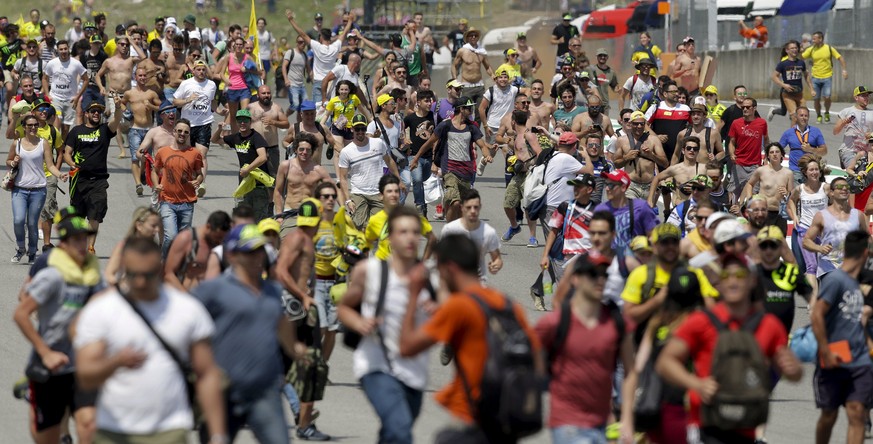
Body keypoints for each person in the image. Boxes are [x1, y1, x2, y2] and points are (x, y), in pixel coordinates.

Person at [74, 237, 227, 444]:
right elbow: (85, 375)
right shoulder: (103, 310)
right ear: (124, 269)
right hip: (113, 431)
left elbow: (207, 374)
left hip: (170, 431)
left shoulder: (187, 310)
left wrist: (217, 435)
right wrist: (116, 362)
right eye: (134, 274)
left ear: (161, 268)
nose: (140, 282)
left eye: (148, 275)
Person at [398, 233, 542, 442]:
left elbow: (407, 346)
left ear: (450, 268)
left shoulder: (460, 306)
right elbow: (536, 355)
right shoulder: (507, 304)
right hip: (506, 416)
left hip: (471, 416)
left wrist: (413, 294)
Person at [656, 252, 802, 443]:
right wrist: (696, 384)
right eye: (726, 276)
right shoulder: (702, 321)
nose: (732, 282)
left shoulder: (769, 325)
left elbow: (792, 373)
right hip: (705, 426)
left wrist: (794, 369)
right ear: (720, 283)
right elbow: (665, 362)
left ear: (752, 281)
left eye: (739, 276)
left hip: (747, 426)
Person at [193, 224, 305, 443]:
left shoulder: (273, 290)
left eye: (260, 251)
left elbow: (281, 322)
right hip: (224, 391)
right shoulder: (214, 290)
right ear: (233, 255)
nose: (256, 257)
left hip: (264, 390)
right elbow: (185, 318)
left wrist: (296, 349)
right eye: (249, 252)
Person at [337, 206, 435, 443]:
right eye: (403, 232)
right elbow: (344, 307)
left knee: (393, 431)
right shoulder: (368, 271)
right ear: (389, 237)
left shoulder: (432, 278)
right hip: (376, 365)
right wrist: (359, 322)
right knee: (401, 431)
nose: (410, 238)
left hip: (414, 371)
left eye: (415, 232)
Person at [12, 215, 102, 444]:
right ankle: (32, 391)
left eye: (86, 239)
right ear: (63, 244)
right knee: (47, 436)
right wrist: (45, 352)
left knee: (89, 423)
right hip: (52, 366)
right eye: (77, 240)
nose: (83, 245)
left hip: (82, 366)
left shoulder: (93, 277)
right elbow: (21, 313)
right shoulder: (53, 275)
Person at [535, 253, 635, 444]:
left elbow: (631, 371)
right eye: (593, 274)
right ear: (575, 278)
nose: (600, 279)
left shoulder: (617, 323)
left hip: (604, 423)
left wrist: (627, 420)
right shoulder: (555, 322)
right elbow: (528, 364)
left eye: (604, 274)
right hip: (568, 424)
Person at [274, 198, 330, 440]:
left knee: (290, 367)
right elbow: (280, 270)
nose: (309, 227)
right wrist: (302, 296)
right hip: (294, 309)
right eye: (305, 223)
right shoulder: (298, 238)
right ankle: (304, 423)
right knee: (309, 366)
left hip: (300, 309)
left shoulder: (306, 239)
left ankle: (302, 417)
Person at [810, 229, 872, 444]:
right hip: (834, 357)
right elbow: (817, 314)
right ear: (865, 254)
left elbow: (856, 321)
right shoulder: (836, 280)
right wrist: (826, 351)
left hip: (860, 360)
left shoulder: (858, 282)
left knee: (857, 412)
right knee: (829, 415)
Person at [622, 223, 718, 342]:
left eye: (674, 242)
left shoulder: (694, 274)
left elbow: (712, 310)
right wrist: (657, 301)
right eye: (664, 242)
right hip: (648, 340)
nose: (670, 247)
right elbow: (629, 315)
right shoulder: (640, 274)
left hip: (685, 342)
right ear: (655, 246)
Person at [416, 97, 490, 222]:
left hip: (466, 171)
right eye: (469, 108)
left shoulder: (471, 127)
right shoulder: (445, 125)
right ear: (461, 109)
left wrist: (487, 155)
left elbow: (482, 145)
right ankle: (449, 229)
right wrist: (416, 159)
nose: (471, 110)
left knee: (461, 207)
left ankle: (457, 229)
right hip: (449, 169)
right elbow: (430, 142)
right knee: (454, 201)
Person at [63, 100, 122, 254]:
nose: (96, 113)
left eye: (99, 111)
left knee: (95, 213)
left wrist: (118, 107)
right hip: (79, 179)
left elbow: (116, 120)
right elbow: (67, 153)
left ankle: (90, 247)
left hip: (99, 180)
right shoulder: (76, 131)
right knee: (79, 215)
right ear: (86, 113)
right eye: (93, 111)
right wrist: (72, 164)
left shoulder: (105, 130)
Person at [8, 114, 67, 263]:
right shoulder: (17, 144)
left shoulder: (44, 143)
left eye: (35, 125)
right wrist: (13, 162)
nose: (33, 127)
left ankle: (32, 252)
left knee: (33, 223)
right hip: (19, 189)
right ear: (24, 127)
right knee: (18, 220)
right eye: (30, 125)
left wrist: (60, 175)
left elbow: (51, 165)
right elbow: (8, 161)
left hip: (38, 190)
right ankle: (21, 248)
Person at [338, 114, 403, 229]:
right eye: (357, 129)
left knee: (377, 227)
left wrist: (399, 180)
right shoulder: (346, 152)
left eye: (363, 129)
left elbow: (390, 162)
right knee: (358, 226)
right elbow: (342, 178)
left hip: (378, 193)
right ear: (352, 129)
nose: (360, 132)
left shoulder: (377, 143)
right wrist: (348, 200)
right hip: (359, 192)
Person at [152, 118, 205, 256]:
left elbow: (200, 174)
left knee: (183, 240)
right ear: (174, 132)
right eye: (179, 131)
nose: (182, 134)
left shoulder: (195, 153)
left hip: (187, 203)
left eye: (186, 132)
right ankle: (164, 263)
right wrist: (156, 185)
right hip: (167, 201)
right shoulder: (163, 152)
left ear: (189, 134)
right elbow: (154, 170)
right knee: (170, 236)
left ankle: (178, 266)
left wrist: (198, 181)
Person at [540, 173, 598, 288]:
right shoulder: (564, 207)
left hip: (589, 259)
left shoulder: (599, 209)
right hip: (567, 259)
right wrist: (545, 255)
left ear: (589, 189)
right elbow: (553, 231)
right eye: (574, 186)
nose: (575, 189)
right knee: (565, 294)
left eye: (579, 187)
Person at [285, 9, 354, 105]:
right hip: (330, 82)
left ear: (321, 37)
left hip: (318, 82)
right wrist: (350, 21)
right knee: (329, 108)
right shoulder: (335, 47)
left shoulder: (317, 46)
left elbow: (303, 34)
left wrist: (291, 20)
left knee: (317, 110)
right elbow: (344, 34)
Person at [803, 177, 868, 277]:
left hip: (852, 269)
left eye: (847, 187)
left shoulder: (858, 215)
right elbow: (806, 241)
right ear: (832, 192)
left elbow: (868, 240)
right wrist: (819, 248)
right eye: (840, 187)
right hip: (828, 268)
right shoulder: (821, 216)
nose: (844, 189)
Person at [214, 109, 270, 221]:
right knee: (241, 219)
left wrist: (248, 169)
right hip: (244, 184)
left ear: (250, 122)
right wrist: (219, 128)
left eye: (245, 120)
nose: (242, 123)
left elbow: (263, 157)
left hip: (258, 184)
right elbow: (214, 140)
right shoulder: (236, 138)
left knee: (259, 219)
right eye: (240, 121)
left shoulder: (256, 137)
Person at [273, 132, 334, 237]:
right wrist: (279, 215)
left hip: (311, 214)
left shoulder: (318, 170)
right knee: (286, 245)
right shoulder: (286, 166)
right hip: (290, 213)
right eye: (301, 149)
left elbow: (333, 190)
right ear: (296, 149)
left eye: (308, 150)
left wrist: (328, 211)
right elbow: (278, 191)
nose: (304, 152)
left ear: (312, 151)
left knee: (313, 248)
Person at [173, 60, 216, 197]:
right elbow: (175, 102)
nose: (201, 72)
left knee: (201, 154)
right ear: (194, 71)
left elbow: (212, 102)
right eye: (198, 69)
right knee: (187, 155)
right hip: (188, 124)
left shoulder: (211, 85)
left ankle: (202, 182)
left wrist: (220, 111)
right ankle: (188, 182)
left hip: (204, 123)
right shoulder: (186, 84)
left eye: (203, 70)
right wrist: (187, 100)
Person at [366, 174, 436, 260]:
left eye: (396, 191)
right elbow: (366, 244)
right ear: (381, 195)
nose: (393, 195)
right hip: (384, 267)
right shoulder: (375, 220)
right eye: (389, 191)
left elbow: (432, 239)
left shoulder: (412, 217)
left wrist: (423, 263)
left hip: (408, 268)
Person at [441, 188, 502, 283]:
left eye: (476, 207)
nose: (473, 211)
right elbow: (441, 258)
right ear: (461, 208)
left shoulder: (488, 232)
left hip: (478, 283)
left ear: (480, 207)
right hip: (453, 284)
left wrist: (496, 265)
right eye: (468, 207)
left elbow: (497, 258)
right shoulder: (450, 229)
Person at [163, 210, 231, 291]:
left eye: (223, 238)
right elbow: (168, 274)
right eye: (217, 237)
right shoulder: (186, 239)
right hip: (183, 295)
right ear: (208, 227)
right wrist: (187, 299)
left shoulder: (219, 244)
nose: (220, 241)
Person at [595, 169, 659, 253]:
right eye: (606, 184)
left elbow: (653, 235)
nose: (607, 188)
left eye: (611, 185)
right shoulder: (600, 210)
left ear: (623, 187)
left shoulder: (641, 207)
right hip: (608, 261)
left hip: (635, 261)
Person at [121, 68, 161, 196]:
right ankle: (138, 184)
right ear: (135, 77)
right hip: (135, 129)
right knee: (135, 158)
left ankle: (143, 174)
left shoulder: (151, 93)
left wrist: (151, 107)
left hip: (149, 130)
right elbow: (122, 103)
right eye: (140, 75)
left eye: (144, 75)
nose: (143, 78)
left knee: (147, 159)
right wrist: (125, 112)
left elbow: (161, 107)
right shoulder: (129, 93)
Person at [247, 84, 290, 206]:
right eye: (263, 93)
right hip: (255, 148)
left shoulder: (276, 108)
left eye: (268, 93)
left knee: (273, 177)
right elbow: (242, 122)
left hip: (271, 148)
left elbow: (286, 124)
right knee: (253, 175)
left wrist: (273, 122)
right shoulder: (251, 107)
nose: (266, 95)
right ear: (258, 95)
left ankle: (272, 204)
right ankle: (252, 201)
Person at [612, 111, 668, 200]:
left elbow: (665, 163)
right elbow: (616, 164)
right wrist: (626, 158)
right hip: (631, 185)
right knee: (632, 211)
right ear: (630, 124)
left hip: (649, 186)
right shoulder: (622, 140)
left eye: (642, 124)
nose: (639, 127)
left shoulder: (654, 140)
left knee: (645, 213)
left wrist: (651, 155)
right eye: (636, 124)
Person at [739, 143, 794, 234]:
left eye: (777, 152)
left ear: (781, 155)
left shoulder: (788, 173)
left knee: (779, 243)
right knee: (760, 240)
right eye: (772, 152)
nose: (774, 154)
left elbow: (792, 195)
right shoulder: (761, 170)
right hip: (764, 212)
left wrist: (787, 192)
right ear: (768, 156)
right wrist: (750, 199)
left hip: (779, 214)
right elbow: (749, 184)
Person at [103, 207, 162, 285]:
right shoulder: (124, 247)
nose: (157, 230)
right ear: (139, 225)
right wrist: (122, 289)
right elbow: (108, 275)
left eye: (158, 226)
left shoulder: (154, 249)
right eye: (153, 226)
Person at [42, 39, 88, 138]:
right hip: (56, 98)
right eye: (61, 49)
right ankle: (54, 148)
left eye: (65, 49)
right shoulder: (52, 63)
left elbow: (86, 79)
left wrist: (78, 96)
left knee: (66, 129)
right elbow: (45, 78)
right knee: (56, 125)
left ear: (69, 49)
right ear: (57, 51)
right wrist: (47, 94)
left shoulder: (76, 63)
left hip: (70, 100)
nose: (63, 51)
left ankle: (61, 151)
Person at [648, 136, 706, 212]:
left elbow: (715, 185)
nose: (692, 150)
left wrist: (699, 187)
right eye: (689, 148)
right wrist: (650, 199)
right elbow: (656, 178)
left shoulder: (704, 169)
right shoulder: (675, 169)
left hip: (696, 209)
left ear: (698, 152)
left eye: (695, 149)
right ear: (683, 150)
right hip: (678, 210)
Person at [801, 31, 849, 124]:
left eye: (815, 39)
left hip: (827, 76)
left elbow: (840, 58)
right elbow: (801, 58)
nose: (813, 40)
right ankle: (819, 115)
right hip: (815, 77)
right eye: (813, 39)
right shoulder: (811, 49)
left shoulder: (829, 48)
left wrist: (844, 70)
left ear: (820, 39)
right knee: (816, 99)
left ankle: (826, 112)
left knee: (827, 97)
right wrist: (802, 50)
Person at [728, 98, 769, 199]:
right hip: (739, 163)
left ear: (754, 108)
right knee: (732, 192)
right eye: (743, 107)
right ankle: (731, 211)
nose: (745, 109)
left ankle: (748, 213)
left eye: (747, 107)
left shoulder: (762, 123)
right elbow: (731, 142)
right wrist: (732, 154)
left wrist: (766, 158)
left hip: (755, 165)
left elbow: (767, 140)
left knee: (753, 194)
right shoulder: (736, 123)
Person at [404, 89, 436, 216]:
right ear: (418, 102)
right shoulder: (411, 118)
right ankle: (420, 206)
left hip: (429, 157)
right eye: (426, 101)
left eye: (430, 101)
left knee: (424, 182)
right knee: (417, 180)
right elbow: (401, 127)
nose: (429, 103)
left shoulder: (433, 116)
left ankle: (424, 205)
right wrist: (404, 138)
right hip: (414, 156)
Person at [778, 106, 827, 185]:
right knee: (797, 195)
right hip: (795, 171)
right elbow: (778, 149)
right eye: (801, 115)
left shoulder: (816, 131)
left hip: (812, 171)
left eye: (806, 115)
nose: (804, 118)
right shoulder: (788, 133)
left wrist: (811, 149)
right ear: (796, 117)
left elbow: (824, 151)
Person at [771, 40, 813, 125]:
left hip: (799, 94)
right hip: (788, 94)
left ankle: (802, 135)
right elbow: (774, 76)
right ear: (787, 50)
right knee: (794, 117)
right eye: (792, 48)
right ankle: (793, 137)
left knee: (804, 116)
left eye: (796, 48)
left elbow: (806, 75)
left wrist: (812, 89)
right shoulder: (783, 64)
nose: (794, 50)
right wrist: (783, 85)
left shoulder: (801, 63)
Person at [450, 28, 492, 110]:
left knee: (480, 111)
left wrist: (493, 75)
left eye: (475, 35)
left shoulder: (481, 52)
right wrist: (455, 79)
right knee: (466, 111)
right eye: (471, 35)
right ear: (467, 38)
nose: (473, 37)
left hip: (480, 86)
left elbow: (488, 67)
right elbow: (454, 66)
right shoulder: (462, 51)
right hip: (466, 86)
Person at [834, 86, 873, 169]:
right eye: (863, 96)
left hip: (867, 152)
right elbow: (835, 131)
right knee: (856, 172)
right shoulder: (847, 111)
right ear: (856, 97)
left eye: (867, 95)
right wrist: (843, 123)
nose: (866, 98)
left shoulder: (872, 112)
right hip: (849, 151)